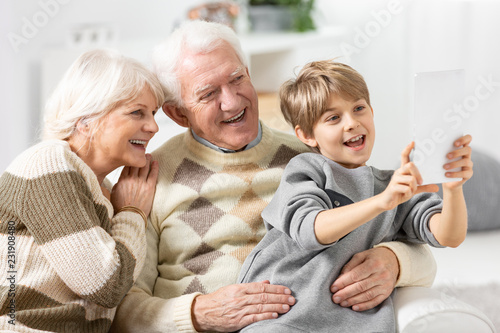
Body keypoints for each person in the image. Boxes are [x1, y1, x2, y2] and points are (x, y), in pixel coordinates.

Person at [111, 20, 440, 333]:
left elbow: (409, 230)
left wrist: (396, 261)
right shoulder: (150, 177)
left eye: (237, 79)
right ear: (177, 113)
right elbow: (122, 308)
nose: (231, 101)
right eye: (209, 94)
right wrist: (199, 313)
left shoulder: (313, 156)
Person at [237, 60, 473, 332]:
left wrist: (454, 188)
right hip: (281, 315)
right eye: (333, 118)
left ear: (372, 112)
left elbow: (449, 236)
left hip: (352, 324)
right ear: (307, 134)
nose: (352, 123)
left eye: (359, 109)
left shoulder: (394, 186)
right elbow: (310, 229)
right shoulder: (308, 169)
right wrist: (382, 202)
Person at [0, 49, 165, 332]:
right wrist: (133, 213)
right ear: (86, 119)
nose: (153, 126)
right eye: (137, 112)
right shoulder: (48, 162)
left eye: (153, 113)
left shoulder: (105, 190)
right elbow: (107, 285)